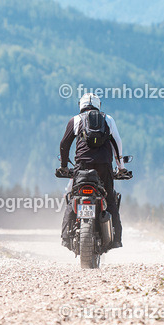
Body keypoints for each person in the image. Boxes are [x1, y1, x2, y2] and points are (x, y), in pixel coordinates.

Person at [58, 92, 127, 249]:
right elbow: (117, 142)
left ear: (80, 105)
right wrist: (121, 167)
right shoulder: (108, 119)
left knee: (73, 197)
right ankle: (116, 239)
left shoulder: (75, 120)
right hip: (104, 167)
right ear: (98, 105)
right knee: (110, 201)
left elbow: (64, 144)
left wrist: (63, 166)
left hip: (82, 166)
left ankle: (65, 237)